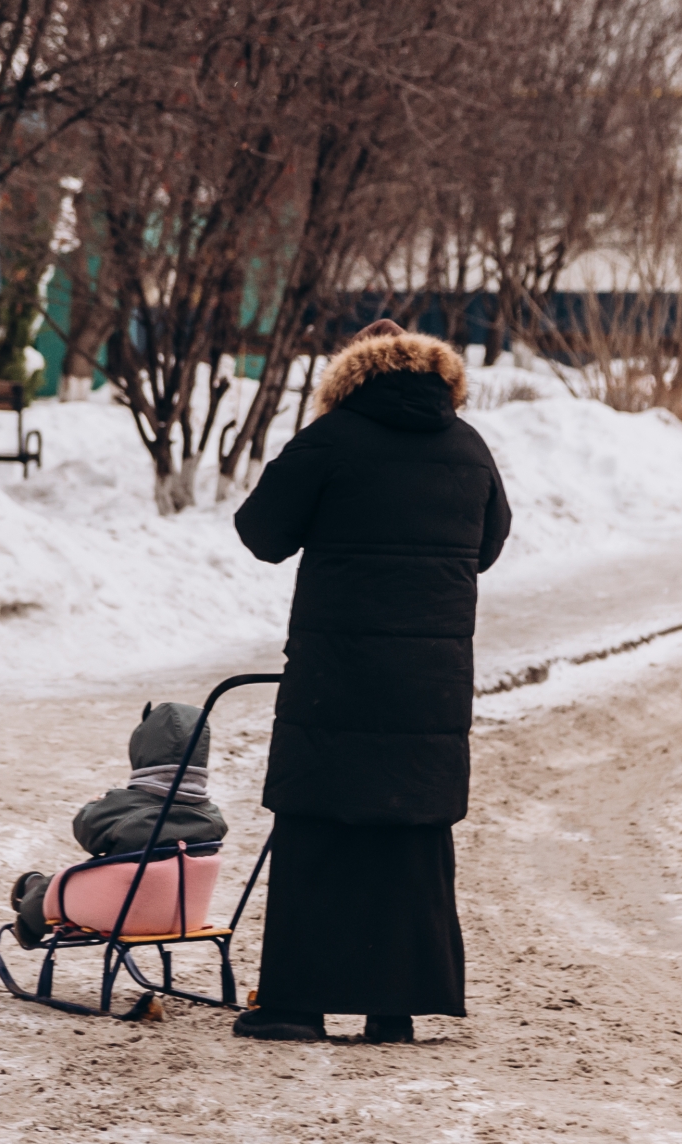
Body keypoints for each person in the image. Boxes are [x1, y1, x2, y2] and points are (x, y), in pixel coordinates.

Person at [230, 320, 510, 1044]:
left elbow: (262, 533)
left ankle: (297, 1004)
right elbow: (486, 545)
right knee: (410, 835)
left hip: (338, 675)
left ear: (347, 376)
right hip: (430, 683)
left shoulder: (331, 438)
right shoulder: (469, 446)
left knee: (318, 827)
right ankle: (397, 1007)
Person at [10, 702, 229, 946]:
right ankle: (36, 889)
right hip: (185, 917)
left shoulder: (125, 807)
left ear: (142, 749)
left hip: (123, 912)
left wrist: (94, 806)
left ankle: (30, 916)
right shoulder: (212, 817)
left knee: (61, 882)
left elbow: (88, 837)